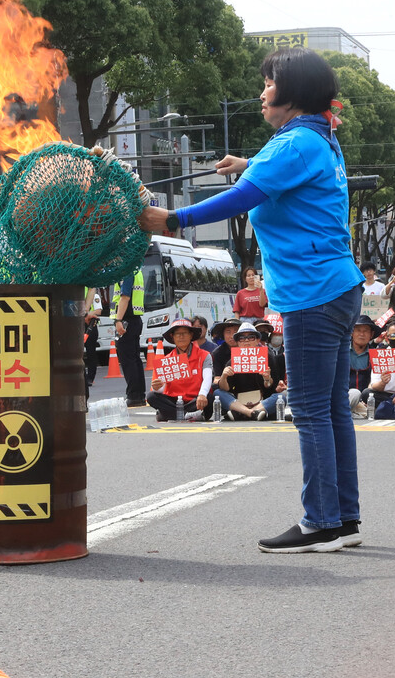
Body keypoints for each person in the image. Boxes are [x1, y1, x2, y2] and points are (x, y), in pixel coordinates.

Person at [139, 47, 364, 553]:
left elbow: (244, 197)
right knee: (330, 410)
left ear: (293, 94)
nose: (262, 91)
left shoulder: (296, 144)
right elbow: (273, 175)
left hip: (312, 294)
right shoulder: (316, 137)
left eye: (269, 82)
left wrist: (174, 220)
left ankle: (320, 522)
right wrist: (249, 162)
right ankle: (342, 518)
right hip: (335, 288)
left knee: (309, 410)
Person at [147, 319, 212, 422]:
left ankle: (169, 414)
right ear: (172, 337)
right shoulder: (166, 360)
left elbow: (208, 378)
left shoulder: (204, 355)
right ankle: (187, 416)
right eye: (177, 334)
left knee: (210, 396)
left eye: (185, 333)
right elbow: (161, 390)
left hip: (195, 400)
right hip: (175, 401)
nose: (181, 336)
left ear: (191, 335)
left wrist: (202, 394)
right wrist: (157, 388)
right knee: (151, 396)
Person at [212, 322, 277, 419]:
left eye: (251, 337)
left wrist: (267, 379)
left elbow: (271, 387)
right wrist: (224, 377)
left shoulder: (268, 357)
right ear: (237, 342)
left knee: (281, 396)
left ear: (257, 340)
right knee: (218, 393)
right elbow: (226, 389)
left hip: (262, 400)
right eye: (241, 338)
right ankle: (252, 413)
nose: (246, 341)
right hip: (239, 400)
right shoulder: (232, 361)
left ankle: (243, 412)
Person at [110, 269, 146, 407]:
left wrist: (118, 320)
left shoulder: (128, 271)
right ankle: (138, 395)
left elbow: (125, 297)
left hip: (126, 321)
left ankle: (134, 396)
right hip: (134, 320)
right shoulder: (137, 271)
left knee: (128, 360)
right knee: (135, 359)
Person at [348, 315, 380, 414]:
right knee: (354, 394)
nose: (362, 334)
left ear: (371, 334)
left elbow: (376, 381)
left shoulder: (377, 355)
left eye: (366, 330)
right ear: (352, 332)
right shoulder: (341, 352)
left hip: (368, 399)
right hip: (346, 396)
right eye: (358, 330)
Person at [84, 287, 102, 387]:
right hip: (77, 324)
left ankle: (90, 378)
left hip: (89, 325)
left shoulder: (93, 293)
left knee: (91, 352)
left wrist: (88, 313)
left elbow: (98, 310)